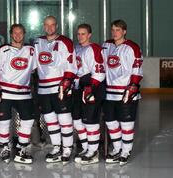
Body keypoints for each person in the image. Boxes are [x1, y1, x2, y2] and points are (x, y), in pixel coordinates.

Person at [0, 24, 36, 164]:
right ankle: (4, 147)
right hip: (5, 93)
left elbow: (35, 69)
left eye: (20, 33)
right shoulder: (3, 50)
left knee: (28, 121)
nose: (18, 35)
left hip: (24, 93)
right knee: (3, 123)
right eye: (15, 33)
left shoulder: (31, 50)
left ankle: (22, 147)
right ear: (11, 34)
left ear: (24, 33)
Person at [33, 15, 77, 164]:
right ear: (43, 26)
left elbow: (71, 66)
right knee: (50, 120)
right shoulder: (38, 42)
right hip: (44, 89)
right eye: (47, 25)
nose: (50, 28)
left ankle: (67, 149)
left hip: (60, 88)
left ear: (56, 26)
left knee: (64, 119)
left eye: (52, 25)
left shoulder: (66, 42)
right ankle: (57, 147)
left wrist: (66, 83)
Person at [102, 19, 143, 166]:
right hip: (109, 93)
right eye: (113, 30)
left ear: (124, 31)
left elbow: (137, 70)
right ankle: (117, 148)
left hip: (126, 93)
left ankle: (126, 151)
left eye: (118, 30)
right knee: (111, 122)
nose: (114, 32)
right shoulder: (106, 45)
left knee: (126, 124)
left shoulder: (132, 47)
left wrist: (132, 87)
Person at [73, 24, 106, 165]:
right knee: (77, 119)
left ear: (89, 35)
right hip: (80, 87)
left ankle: (94, 151)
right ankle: (87, 148)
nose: (80, 36)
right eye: (78, 34)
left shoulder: (94, 48)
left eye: (83, 34)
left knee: (90, 120)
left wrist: (90, 87)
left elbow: (99, 72)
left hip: (93, 87)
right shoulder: (77, 48)